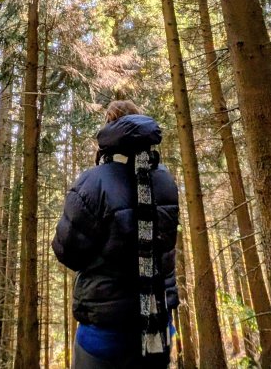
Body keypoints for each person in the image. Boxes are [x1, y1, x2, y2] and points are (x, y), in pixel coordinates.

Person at [53, 100, 179, 368]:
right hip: (158, 328)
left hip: (105, 334)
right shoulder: (165, 179)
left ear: (109, 130)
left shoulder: (93, 181)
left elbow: (67, 251)